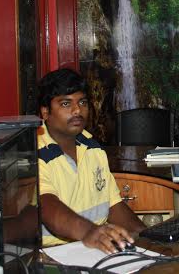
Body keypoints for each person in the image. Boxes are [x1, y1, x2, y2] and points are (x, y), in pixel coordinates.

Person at [37, 68, 145, 253]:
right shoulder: (34, 155)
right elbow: (47, 207)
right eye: (65, 103)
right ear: (45, 112)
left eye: (82, 102)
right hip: (52, 254)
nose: (77, 110)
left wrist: (150, 240)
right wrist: (90, 232)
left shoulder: (93, 148)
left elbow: (114, 205)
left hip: (96, 247)